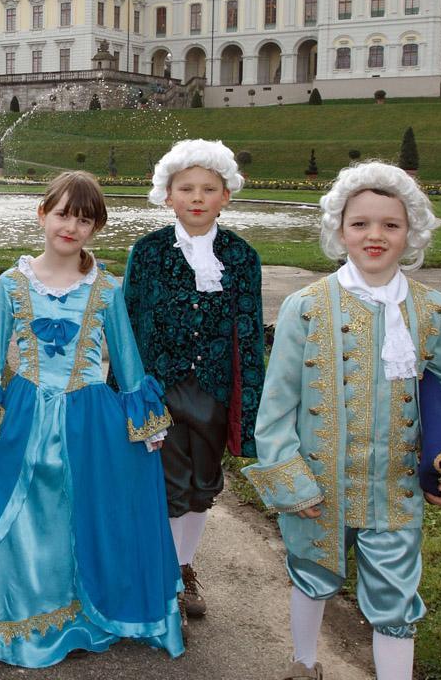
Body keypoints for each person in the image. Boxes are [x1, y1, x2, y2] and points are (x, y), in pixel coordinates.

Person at [242, 162, 441, 680]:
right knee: (311, 573)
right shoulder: (304, 307)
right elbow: (278, 403)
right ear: (339, 229)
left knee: (396, 598)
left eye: (390, 225)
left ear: (411, 232)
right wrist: (288, 478)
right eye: (361, 224)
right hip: (319, 482)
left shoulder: (434, 310)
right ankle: (304, 664)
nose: (375, 235)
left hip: (394, 487)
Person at [0, 170, 184, 668]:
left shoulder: (107, 289)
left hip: (88, 418)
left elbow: (128, 362)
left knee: (79, 511)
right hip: (24, 412)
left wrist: (144, 424)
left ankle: (78, 610)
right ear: (43, 214)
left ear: (96, 228)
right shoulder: (12, 283)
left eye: (85, 219)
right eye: (64, 213)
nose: (72, 226)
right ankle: (13, 612)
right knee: (22, 513)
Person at [123, 139, 266, 622]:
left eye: (209, 188)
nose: (197, 197)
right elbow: (131, 325)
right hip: (159, 388)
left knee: (203, 485)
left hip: (213, 391)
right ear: (168, 195)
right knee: (167, 486)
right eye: (186, 188)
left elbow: (248, 331)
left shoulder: (242, 257)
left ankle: (185, 566)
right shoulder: (147, 252)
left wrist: (248, 404)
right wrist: (128, 393)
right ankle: (165, 573)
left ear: (227, 195)